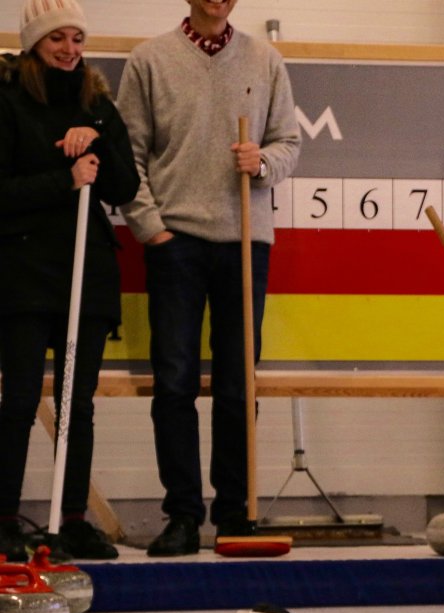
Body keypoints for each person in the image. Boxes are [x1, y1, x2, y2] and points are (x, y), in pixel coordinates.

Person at [117, 0, 301, 556]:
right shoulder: (149, 60)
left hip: (245, 240)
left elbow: (289, 143)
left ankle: (235, 514)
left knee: (237, 383)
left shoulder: (265, 61)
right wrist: (151, 228)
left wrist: (261, 163)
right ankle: (182, 514)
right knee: (174, 380)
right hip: (175, 241)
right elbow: (128, 154)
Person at [0, 0, 139, 563]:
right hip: (23, 274)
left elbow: (124, 187)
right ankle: (5, 520)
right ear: (34, 42)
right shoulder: (8, 100)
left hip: (86, 273)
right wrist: (66, 178)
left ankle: (73, 518)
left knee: (77, 404)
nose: (69, 49)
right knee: (18, 400)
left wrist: (97, 143)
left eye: (77, 38)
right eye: (57, 37)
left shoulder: (98, 104)